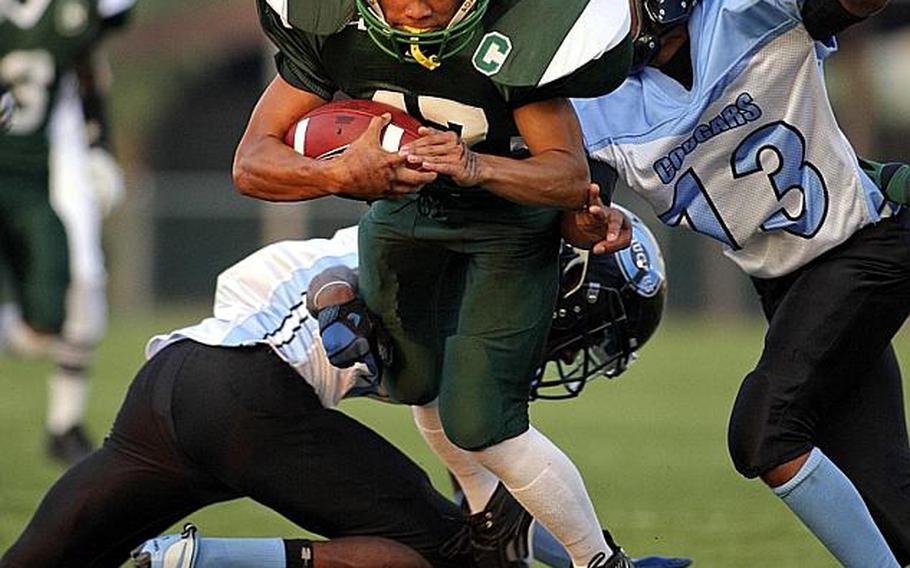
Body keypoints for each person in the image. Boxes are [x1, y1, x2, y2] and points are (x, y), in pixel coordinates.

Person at [1, 219, 684, 568]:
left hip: (170, 384)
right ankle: (205, 561)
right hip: (249, 392)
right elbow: (339, 272)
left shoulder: (466, 309)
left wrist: (588, 552)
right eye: (592, 330)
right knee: (437, 560)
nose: (574, 351)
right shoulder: (479, 271)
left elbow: (493, 508)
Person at [233, 2, 639, 566]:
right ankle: (495, 533)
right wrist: (337, 173)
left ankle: (597, 560)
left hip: (506, 230)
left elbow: (569, 175)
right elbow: (251, 163)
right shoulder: (335, 32)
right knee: (413, 384)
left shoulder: (514, 30)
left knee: (481, 422)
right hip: (402, 219)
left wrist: (480, 167)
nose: (419, 9)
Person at [572, 0, 910, 565]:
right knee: (885, 490)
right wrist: (583, 219)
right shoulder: (597, 100)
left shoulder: (745, 12)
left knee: (765, 433)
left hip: (867, 243)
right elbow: (577, 200)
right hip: (790, 287)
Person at [0, 0, 133, 464]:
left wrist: (98, 142)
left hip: (55, 151)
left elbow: (89, 64)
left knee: (83, 283)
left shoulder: (71, 13)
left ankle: (64, 423)